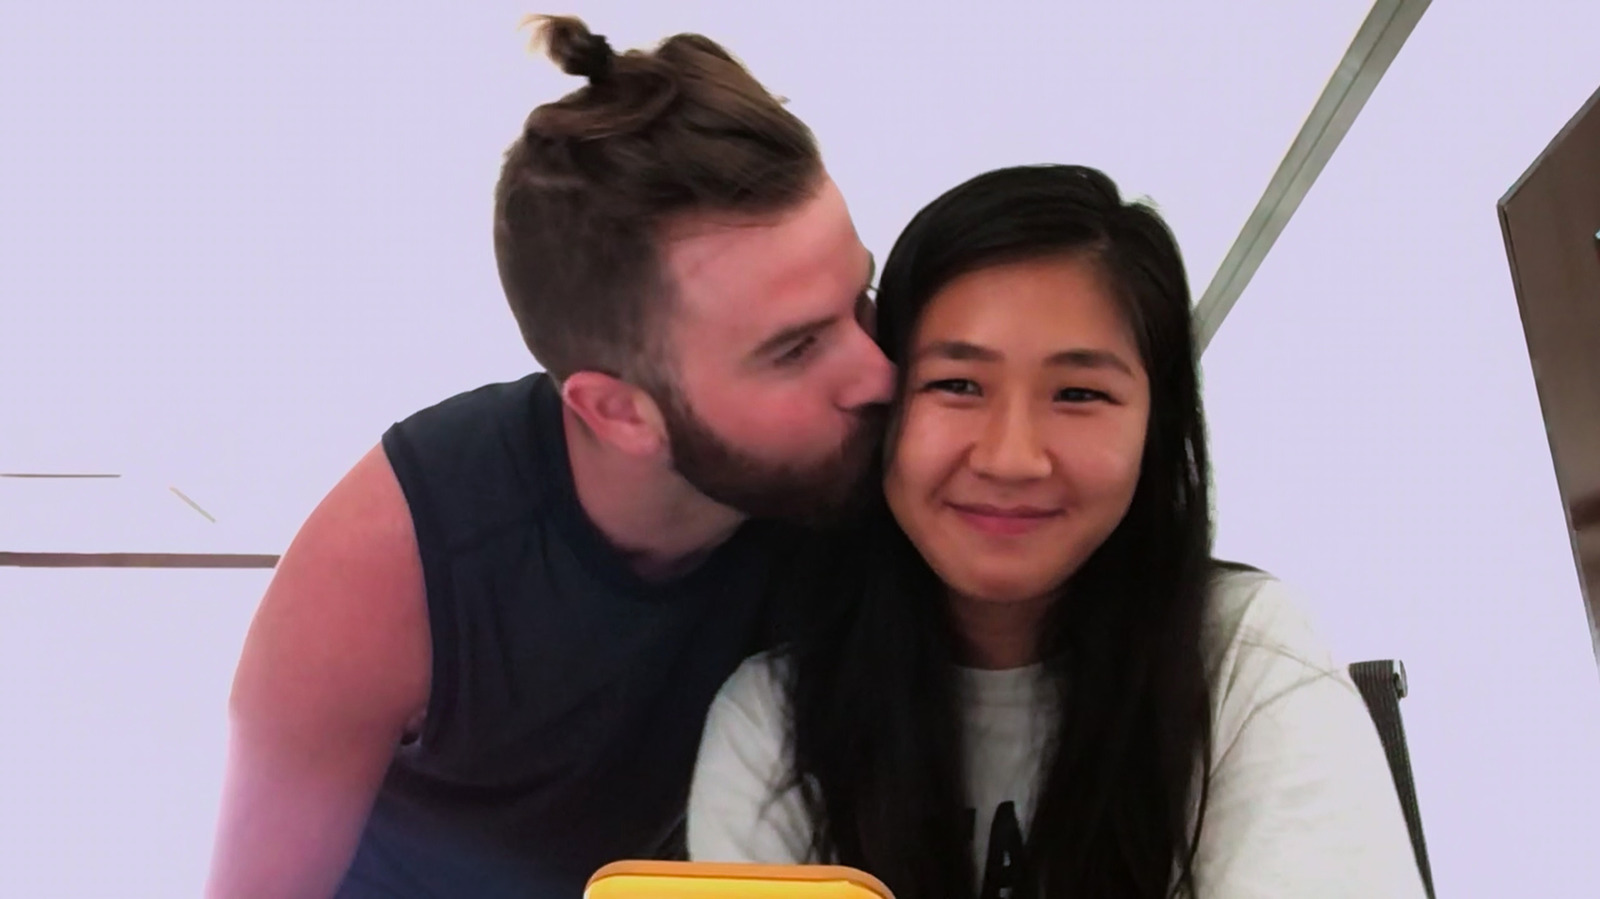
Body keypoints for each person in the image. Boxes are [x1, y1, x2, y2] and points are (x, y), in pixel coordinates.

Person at [205, 15, 894, 899]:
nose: (879, 372)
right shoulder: (396, 559)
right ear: (619, 412)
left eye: (860, 294)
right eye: (796, 349)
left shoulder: (859, 470)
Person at [686, 165, 1429, 899]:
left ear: (1156, 427)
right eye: (956, 385)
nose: (1011, 458)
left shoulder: (1243, 654)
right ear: (883, 400)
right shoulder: (774, 722)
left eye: (1078, 393)